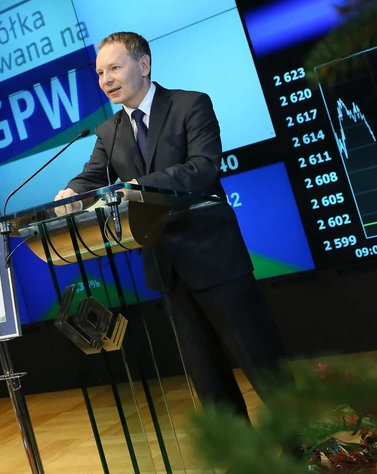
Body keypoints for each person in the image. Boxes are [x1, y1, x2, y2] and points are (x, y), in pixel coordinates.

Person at [55, 31, 285, 420]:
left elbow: (203, 168)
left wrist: (136, 186)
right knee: (208, 379)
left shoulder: (190, 104)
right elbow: (92, 175)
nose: (106, 80)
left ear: (143, 64)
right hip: (166, 268)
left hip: (215, 259)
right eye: (99, 73)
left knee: (263, 364)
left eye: (114, 68)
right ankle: (236, 450)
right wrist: (71, 193)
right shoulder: (109, 131)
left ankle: (304, 448)